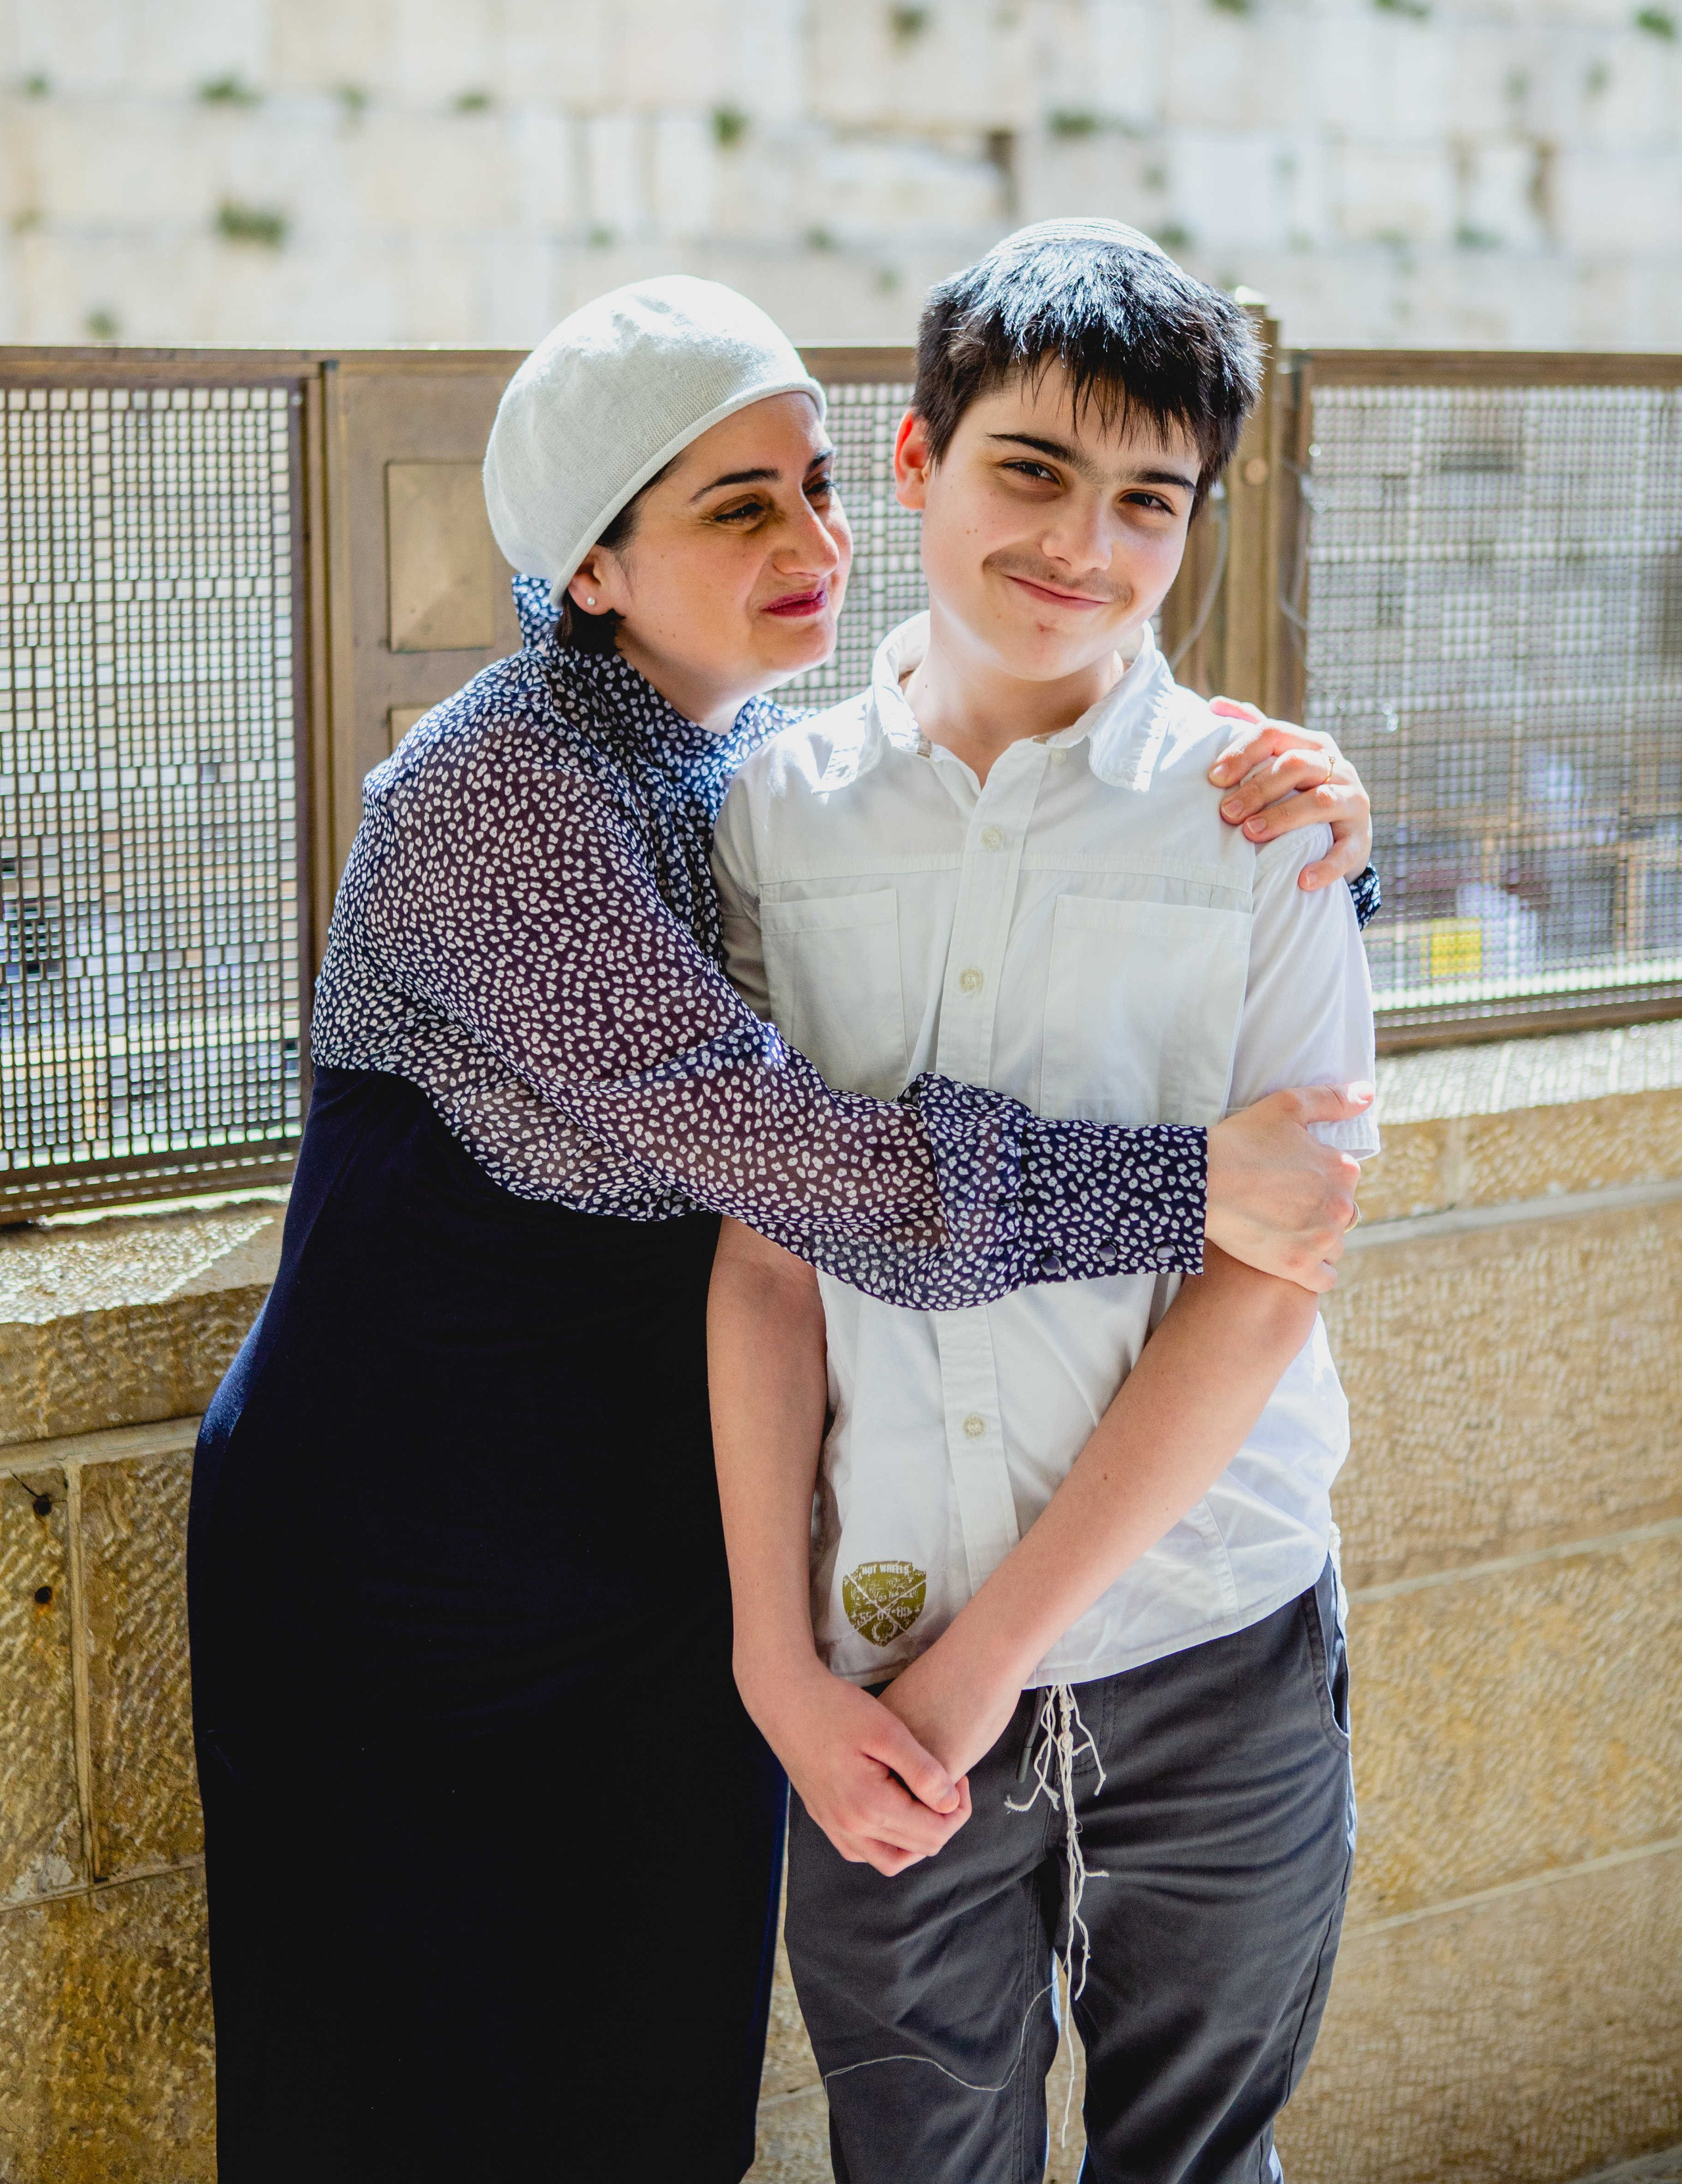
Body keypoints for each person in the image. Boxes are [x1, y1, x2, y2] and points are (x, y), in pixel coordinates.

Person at [187, 272, 1376, 2184]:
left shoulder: (755, 771)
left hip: (650, 1544)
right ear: (591, 567)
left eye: (820, 484)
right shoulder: (500, 796)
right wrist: (1192, 1185)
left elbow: (1051, 858)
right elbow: (811, 1176)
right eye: (740, 508)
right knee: (407, 2095)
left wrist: (1321, 846)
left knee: (652, 2095)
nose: (819, 541)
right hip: (409, 1568)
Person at [708, 220, 1379, 2184]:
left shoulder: (1265, 818)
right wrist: (776, 1659)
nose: (1084, 543)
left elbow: (1263, 1285)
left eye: (1148, 501)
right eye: (1031, 470)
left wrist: (991, 1660)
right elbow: (764, 1249)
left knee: (1198, 2158)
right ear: (915, 463)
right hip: (870, 1653)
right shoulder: (780, 808)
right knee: (916, 2158)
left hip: (1214, 1631)